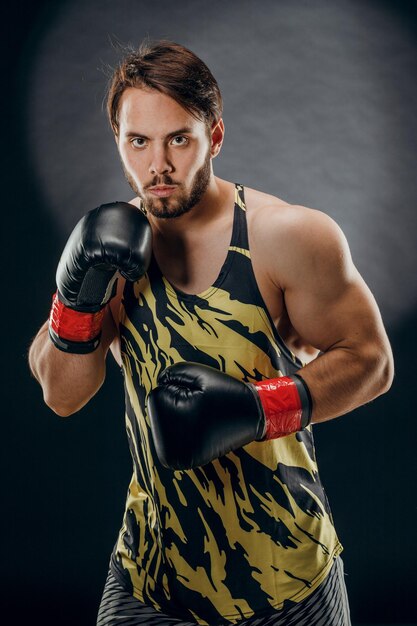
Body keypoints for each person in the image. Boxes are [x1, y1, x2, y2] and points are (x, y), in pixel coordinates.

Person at [28, 40, 394, 626]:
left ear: (214, 138)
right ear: (119, 141)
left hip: (286, 573)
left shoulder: (286, 237)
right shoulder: (109, 250)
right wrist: (76, 298)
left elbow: (373, 361)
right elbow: (61, 394)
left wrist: (255, 407)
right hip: (152, 572)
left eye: (179, 139)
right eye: (138, 141)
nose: (159, 167)